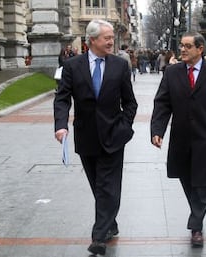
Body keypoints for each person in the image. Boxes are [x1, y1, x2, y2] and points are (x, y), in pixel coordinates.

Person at [53, 19, 137, 256]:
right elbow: (62, 98)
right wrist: (61, 125)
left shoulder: (120, 66)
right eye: (107, 38)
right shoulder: (72, 66)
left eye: (112, 37)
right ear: (91, 40)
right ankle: (110, 223)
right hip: (86, 136)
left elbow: (130, 102)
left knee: (107, 186)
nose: (111, 41)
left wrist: (124, 125)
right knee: (97, 185)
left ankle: (98, 237)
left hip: (114, 136)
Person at [150, 31, 206, 247]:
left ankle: (196, 226)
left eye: (188, 46)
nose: (183, 50)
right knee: (187, 180)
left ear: (200, 49)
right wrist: (157, 130)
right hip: (181, 138)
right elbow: (162, 103)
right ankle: (197, 215)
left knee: (203, 183)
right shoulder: (172, 72)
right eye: (182, 46)